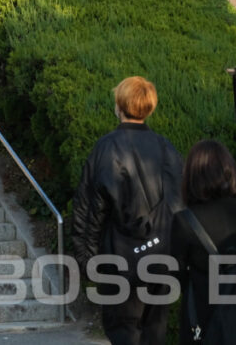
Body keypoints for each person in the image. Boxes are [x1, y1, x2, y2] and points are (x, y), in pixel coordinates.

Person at [72, 76, 183, 345]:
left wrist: (87, 260)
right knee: (154, 333)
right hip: (162, 260)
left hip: (119, 261)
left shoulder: (107, 148)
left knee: (123, 332)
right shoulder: (167, 148)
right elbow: (180, 206)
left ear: (120, 106)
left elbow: (89, 210)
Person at [170, 140, 236, 345]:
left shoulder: (184, 221)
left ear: (191, 177)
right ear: (230, 170)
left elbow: (176, 278)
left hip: (204, 325)